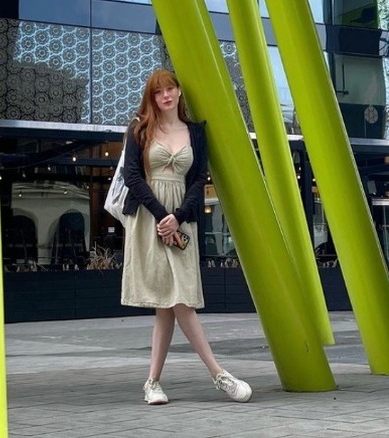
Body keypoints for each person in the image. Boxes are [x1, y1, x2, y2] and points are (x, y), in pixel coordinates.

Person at [120, 68, 252, 405]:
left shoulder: (195, 132)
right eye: (158, 91)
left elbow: (197, 181)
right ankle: (218, 374)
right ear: (152, 97)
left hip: (181, 222)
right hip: (151, 219)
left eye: (170, 89)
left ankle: (152, 382)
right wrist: (162, 215)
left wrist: (177, 217)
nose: (165, 96)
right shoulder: (139, 130)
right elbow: (132, 176)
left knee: (173, 303)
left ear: (179, 92)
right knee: (175, 300)